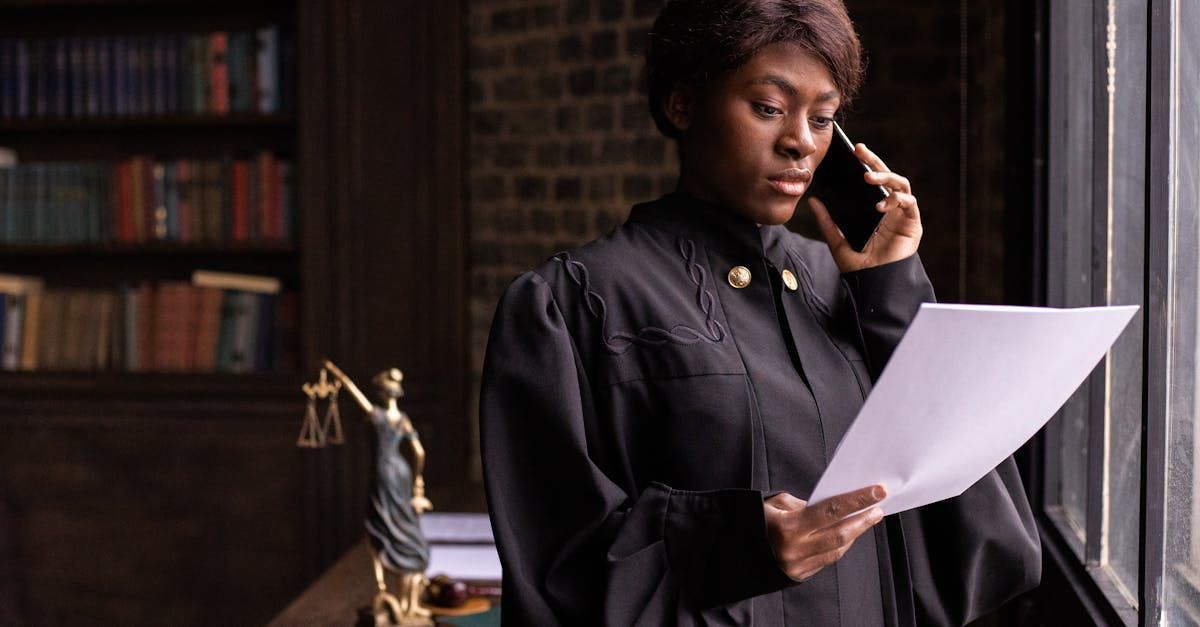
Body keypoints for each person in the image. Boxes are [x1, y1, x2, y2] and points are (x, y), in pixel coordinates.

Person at [479, 0, 1041, 624]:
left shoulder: (856, 290)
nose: (801, 140)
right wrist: (737, 543)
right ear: (682, 104)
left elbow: (988, 546)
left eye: (823, 118)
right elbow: (554, 570)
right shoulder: (568, 304)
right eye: (769, 108)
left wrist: (895, 292)